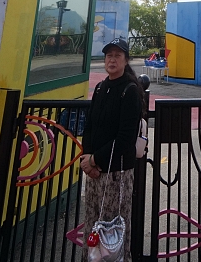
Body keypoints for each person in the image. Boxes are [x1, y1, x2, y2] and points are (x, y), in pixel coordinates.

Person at [81, 37, 143, 261]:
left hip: (117, 175)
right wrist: (87, 158)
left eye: (118, 55)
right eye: (109, 55)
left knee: (112, 231)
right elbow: (89, 127)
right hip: (95, 172)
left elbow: (125, 138)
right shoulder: (100, 88)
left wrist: (95, 159)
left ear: (126, 60)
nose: (112, 59)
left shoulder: (130, 90)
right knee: (93, 226)